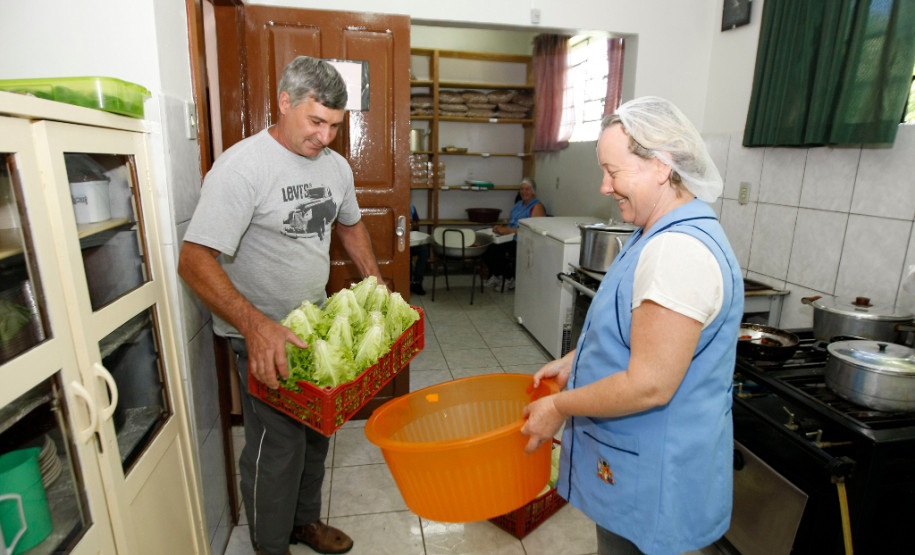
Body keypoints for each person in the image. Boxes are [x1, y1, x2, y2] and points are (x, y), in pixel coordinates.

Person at [178, 56, 384, 555]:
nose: (326, 136)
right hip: (258, 335)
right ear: (284, 103)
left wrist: (375, 283)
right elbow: (193, 259)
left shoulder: (336, 167)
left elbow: (349, 224)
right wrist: (255, 327)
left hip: (313, 325)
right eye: (316, 122)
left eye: (335, 125)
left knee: (317, 432)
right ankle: (270, 545)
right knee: (278, 448)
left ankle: (303, 523)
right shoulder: (243, 167)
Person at [520, 96, 743, 555]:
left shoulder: (677, 252)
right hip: (639, 472)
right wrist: (577, 360)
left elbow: (649, 386)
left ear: (661, 167)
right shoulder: (655, 233)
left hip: (657, 484)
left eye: (613, 171)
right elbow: (633, 334)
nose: (604, 187)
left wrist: (560, 406)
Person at [482, 177, 546, 289]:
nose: (524, 192)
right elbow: (512, 223)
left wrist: (509, 231)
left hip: (523, 241)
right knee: (487, 246)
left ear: (533, 191)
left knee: (497, 249)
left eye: (527, 189)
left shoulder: (537, 206)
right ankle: (497, 275)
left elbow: (533, 231)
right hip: (510, 236)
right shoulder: (518, 204)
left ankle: (509, 278)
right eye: (522, 189)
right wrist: (500, 228)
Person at [410, 203, 429, 295]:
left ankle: (417, 282)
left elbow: (417, 228)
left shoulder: (411, 207)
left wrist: (413, 225)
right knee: (405, 253)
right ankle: (406, 282)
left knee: (424, 250)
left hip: (411, 239)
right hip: (397, 241)